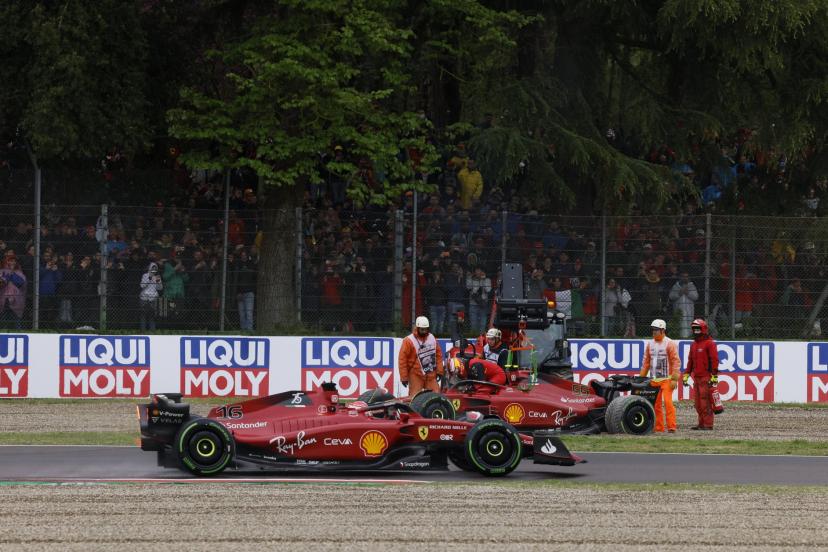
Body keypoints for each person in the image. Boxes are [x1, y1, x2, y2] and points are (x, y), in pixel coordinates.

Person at [639, 319, 680, 433]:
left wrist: (674, 379)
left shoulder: (670, 343)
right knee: (655, 405)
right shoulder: (650, 344)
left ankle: (671, 427)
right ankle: (659, 427)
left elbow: (676, 362)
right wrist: (641, 378)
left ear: (663, 330)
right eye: (652, 330)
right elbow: (646, 362)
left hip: (667, 379)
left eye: (656, 330)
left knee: (668, 403)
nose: (653, 332)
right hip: (654, 380)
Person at [682, 318, 719, 430]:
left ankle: (708, 424)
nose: (696, 331)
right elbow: (690, 361)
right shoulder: (694, 345)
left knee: (705, 402)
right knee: (698, 403)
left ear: (703, 329)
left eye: (698, 329)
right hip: (697, 378)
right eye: (694, 329)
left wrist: (714, 375)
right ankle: (701, 423)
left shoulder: (710, 343)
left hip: (706, 377)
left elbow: (714, 360)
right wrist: (686, 374)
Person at [398, 316, 444, 397]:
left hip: (431, 374)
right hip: (415, 375)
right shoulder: (408, 341)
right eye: (422, 329)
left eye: (426, 329)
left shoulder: (432, 338)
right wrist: (404, 377)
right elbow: (402, 360)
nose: (424, 331)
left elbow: (438, 356)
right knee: (415, 398)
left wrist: (439, 371)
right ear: (417, 328)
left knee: (436, 396)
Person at [139, 262, 163, 330]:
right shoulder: (145, 275)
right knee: (143, 316)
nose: (154, 270)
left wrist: (158, 281)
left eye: (155, 268)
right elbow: (142, 285)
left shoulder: (157, 276)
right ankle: (142, 331)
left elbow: (160, 288)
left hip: (153, 299)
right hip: (144, 298)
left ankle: (152, 332)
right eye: (153, 268)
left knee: (152, 316)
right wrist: (149, 278)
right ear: (150, 268)